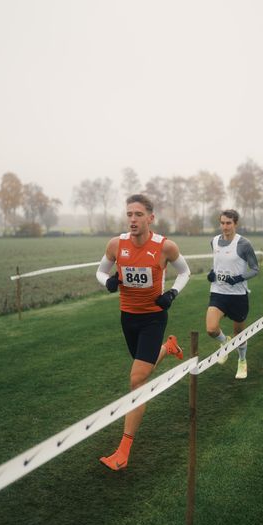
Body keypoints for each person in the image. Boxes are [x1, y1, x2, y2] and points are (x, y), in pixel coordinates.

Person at [96, 194, 191, 470]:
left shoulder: (165, 247)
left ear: (151, 218)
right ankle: (168, 347)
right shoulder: (116, 244)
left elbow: (185, 273)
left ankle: (123, 451)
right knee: (143, 369)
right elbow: (100, 272)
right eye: (129, 214)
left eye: (138, 214)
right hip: (128, 318)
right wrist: (109, 282)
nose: (133, 219)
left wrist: (172, 293)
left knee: (137, 381)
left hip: (153, 319)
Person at [206, 209, 259, 379]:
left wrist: (238, 278)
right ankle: (224, 342)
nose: (225, 226)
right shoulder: (214, 241)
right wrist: (211, 274)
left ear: (235, 224)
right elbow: (217, 264)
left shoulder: (244, 244)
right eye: (222, 223)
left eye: (228, 223)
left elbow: (255, 270)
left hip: (238, 296)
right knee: (211, 329)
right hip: (218, 292)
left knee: (239, 334)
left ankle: (242, 361)